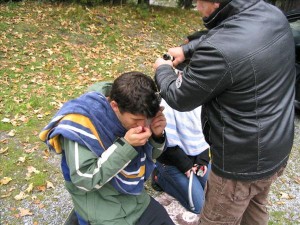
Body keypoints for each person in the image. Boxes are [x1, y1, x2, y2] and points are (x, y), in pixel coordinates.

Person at [153, 0, 296, 225]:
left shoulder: (219, 50)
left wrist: (162, 70)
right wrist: (187, 49)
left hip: (240, 166)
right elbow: (231, 34)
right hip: (276, 148)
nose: (197, 8)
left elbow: (180, 97)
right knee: (255, 207)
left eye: (199, 2)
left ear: (216, 2)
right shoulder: (270, 14)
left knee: (216, 220)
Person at [39, 72, 175, 225]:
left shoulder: (137, 109)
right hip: (101, 207)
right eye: (136, 120)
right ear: (115, 106)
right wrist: (127, 146)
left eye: (146, 120)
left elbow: (150, 156)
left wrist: (157, 136)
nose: (143, 127)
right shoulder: (82, 123)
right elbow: (84, 180)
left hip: (134, 199)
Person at [152, 97, 210, 214]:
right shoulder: (168, 102)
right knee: (199, 206)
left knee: (217, 193)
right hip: (171, 161)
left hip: (196, 156)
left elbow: (206, 132)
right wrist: (186, 166)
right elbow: (168, 143)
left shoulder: (202, 96)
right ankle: (159, 178)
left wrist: (202, 161)